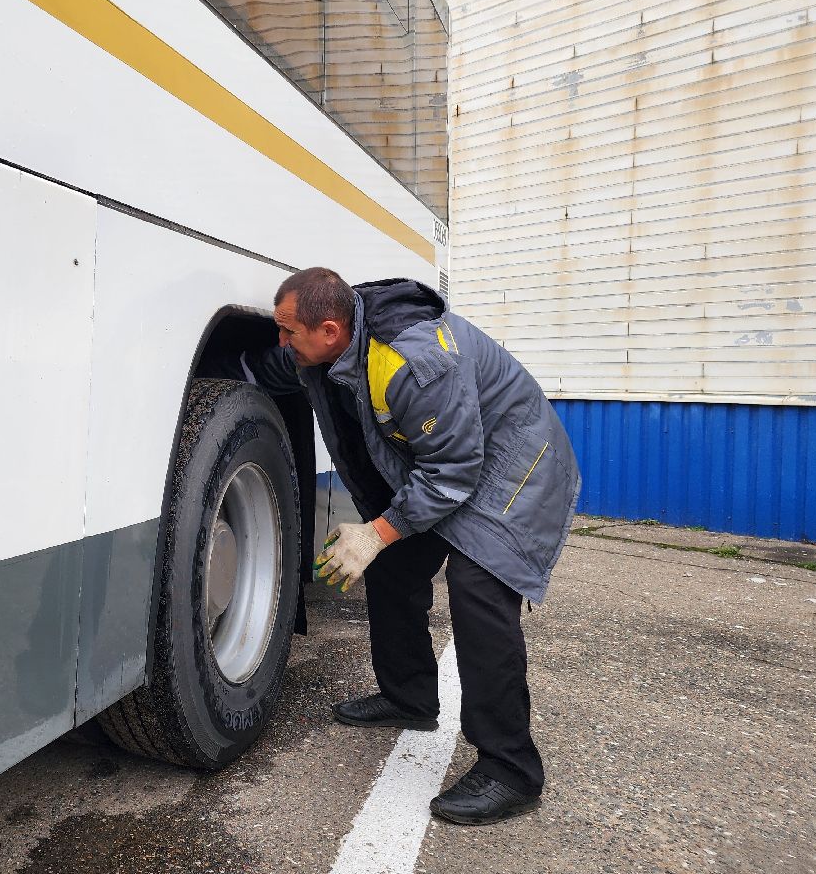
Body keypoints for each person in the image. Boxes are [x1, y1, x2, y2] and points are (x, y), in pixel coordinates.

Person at [231, 267, 580, 825]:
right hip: (453, 462)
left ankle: (512, 769)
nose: (281, 340)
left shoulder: (413, 362)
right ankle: (410, 697)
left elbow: (453, 472)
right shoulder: (331, 346)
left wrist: (374, 532)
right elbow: (276, 365)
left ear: (328, 330)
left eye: (287, 330)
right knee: (394, 569)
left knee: (479, 591)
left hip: (514, 464)